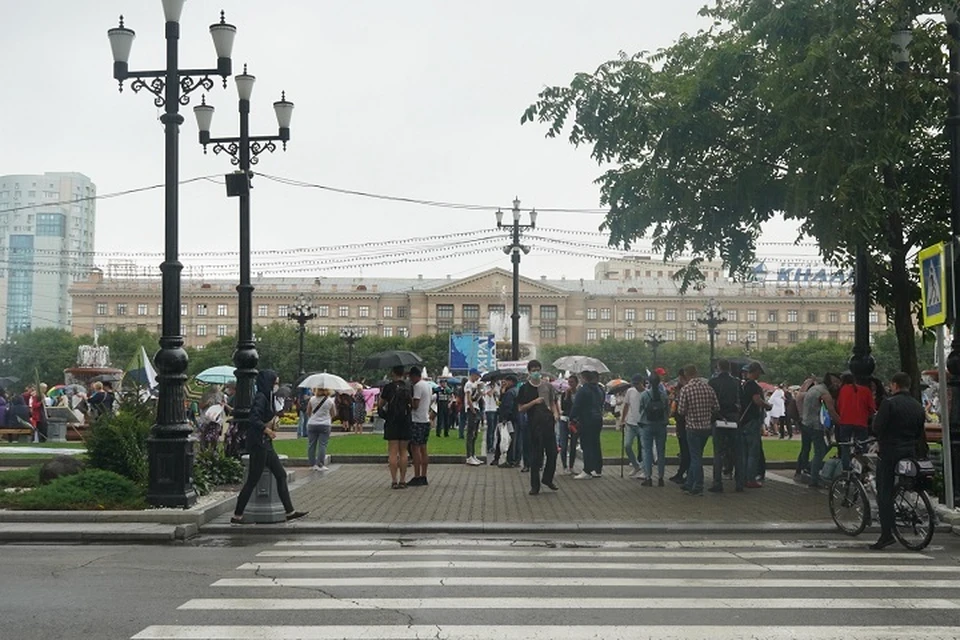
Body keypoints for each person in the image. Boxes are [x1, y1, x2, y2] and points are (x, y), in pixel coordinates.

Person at [232, 370, 308, 524]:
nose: (276, 385)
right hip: (259, 443)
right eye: (275, 382)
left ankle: (289, 511)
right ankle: (237, 515)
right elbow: (253, 417)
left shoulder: (266, 396)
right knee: (253, 479)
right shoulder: (261, 397)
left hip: (264, 442)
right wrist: (267, 429)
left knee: (280, 475)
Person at [870, 372, 927, 550]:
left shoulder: (889, 403)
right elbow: (919, 432)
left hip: (889, 451)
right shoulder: (917, 405)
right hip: (908, 450)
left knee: (884, 491)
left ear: (894, 385)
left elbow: (877, 428)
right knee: (903, 483)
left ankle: (886, 534)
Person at [517, 360, 561, 494]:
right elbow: (521, 408)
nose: (536, 372)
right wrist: (534, 402)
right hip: (534, 425)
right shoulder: (524, 388)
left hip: (548, 422)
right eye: (533, 370)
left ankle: (547, 478)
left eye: (538, 369)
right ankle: (534, 485)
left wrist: (555, 414)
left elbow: (553, 402)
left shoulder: (547, 386)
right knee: (536, 455)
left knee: (552, 452)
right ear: (529, 372)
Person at [677, 365, 719, 497]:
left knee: (695, 458)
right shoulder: (708, 388)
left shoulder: (686, 389)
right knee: (697, 455)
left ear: (686, 375)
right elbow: (716, 407)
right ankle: (689, 483)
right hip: (706, 427)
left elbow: (681, 410)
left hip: (692, 427)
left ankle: (698, 485)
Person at [800, 373, 841, 489]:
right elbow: (832, 411)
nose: (838, 385)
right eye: (837, 382)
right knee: (821, 450)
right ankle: (814, 479)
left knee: (806, 449)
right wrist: (842, 423)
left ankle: (806, 469)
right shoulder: (825, 394)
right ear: (832, 381)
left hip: (805, 423)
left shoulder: (814, 388)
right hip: (816, 426)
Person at [709, 359, 743, 492]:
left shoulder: (713, 382)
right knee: (736, 451)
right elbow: (740, 400)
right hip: (733, 417)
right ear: (729, 368)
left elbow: (712, 401)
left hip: (719, 417)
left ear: (718, 368)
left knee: (718, 452)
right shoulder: (736, 382)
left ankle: (717, 482)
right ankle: (739, 483)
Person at [379, 365, 412, 489]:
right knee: (403, 452)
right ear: (403, 374)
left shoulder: (388, 387)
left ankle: (394, 480)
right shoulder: (408, 387)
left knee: (393, 452)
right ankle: (403, 480)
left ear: (393, 373)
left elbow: (380, 404)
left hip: (392, 421)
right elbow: (413, 404)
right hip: (405, 421)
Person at [836, 372, 877, 470]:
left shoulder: (842, 390)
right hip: (861, 422)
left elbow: (839, 406)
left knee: (845, 447)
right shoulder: (866, 390)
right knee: (862, 446)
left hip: (845, 422)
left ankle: (846, 470)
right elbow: (872, 408)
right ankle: (862, 468)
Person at [571, 369, 606, 479]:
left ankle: (587, 470)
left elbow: (577, 406)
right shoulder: (600, 389)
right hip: (597, 418)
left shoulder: (583, 390)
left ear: (584, 378)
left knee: (586, 444)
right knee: (595, 443)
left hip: (586, 419)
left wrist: (571, 417)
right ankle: (598, 468)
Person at [740, 362, 770, 489]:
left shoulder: (744, 385)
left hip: (743, 421)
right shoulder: (753, 386)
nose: (759, 375)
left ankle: (743, 476)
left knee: (745, 452)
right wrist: (767, 406)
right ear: (756, 371)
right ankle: (751, 478)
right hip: (752, 420)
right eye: (759, 372)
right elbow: (757, 401)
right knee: (753, 451)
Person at [637, 371, 670, 487]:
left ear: (649, 382)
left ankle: (648, 477)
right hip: (661, 425)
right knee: (661, 451)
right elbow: (667, 410)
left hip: (647, 425)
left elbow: (640, 410)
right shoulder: (664, 395)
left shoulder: (645, 395)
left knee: (647, 450)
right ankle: (661, 477)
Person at [408, 366, 433, 486]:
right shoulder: (427, 385)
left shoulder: (417, 386)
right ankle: (424, 475)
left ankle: (417, 475)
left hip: (417, 420)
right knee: (424, 449)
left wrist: (409, 401)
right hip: (426, 420)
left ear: (414, 376)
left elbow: (416, 404)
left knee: (415, 448)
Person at [618, 374, 646, 479]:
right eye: (634, 384)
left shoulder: (646, 393)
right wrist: (622, 420)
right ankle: (636, 465)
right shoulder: (630, 391)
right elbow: (626, 405)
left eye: (637, 384)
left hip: (642, 424)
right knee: (627, 445)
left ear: (642, 382)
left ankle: (645, 469)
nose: (635, 386)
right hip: (630, 422)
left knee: (644, 448)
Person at [669, 369, 691, 485]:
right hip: (682, 423)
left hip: (684, 423)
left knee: (685, 449)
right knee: (684, 449)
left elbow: (681, 409)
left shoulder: (685, 390)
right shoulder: (680, 389)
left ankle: (684, 472)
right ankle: (682, 472)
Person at [306, 387, 335, 471]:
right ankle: (320, 465)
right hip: (325, 424)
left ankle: (312, 464)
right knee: (322, 444)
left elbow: (308, 412)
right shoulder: (330, 401)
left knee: (311, 444)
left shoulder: (312, 399)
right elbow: (334, 413)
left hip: (312, 423)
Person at [495, 374, 520, 467]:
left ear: (511, 382)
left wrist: (505, 418)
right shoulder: (516, 391)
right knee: (516, 439)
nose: (505, 383)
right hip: (516, 418)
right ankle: (516, 460)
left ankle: (509, 460)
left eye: (507, 381)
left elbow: (507, 406)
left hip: (509, 419)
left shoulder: (510, 393)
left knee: (509, 439)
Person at [558, 375, 579, 474]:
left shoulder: (579, 394)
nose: (570, 384)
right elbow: (563, 407)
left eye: (572, 382)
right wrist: (566, 396)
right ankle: (564, 466)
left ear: (576, 383)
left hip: (574, 421)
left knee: (573, 444)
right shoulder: (565, 394)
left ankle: (571, 466)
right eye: (569, 382)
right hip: (565, 419)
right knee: (564, 444)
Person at [463, 369, 484, 466]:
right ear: (472, 375)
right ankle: (469, 456)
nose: (478, 377)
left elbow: (475, 399)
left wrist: (479, 391)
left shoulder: (475, 385)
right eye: (477, 375)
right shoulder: (468, 385)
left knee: (475, 433)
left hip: (476, 408)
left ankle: (473, 454)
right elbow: (469, 399)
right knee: (470, 433)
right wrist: (472, 410)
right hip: (471, 410)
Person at [483, 381, 499, 455]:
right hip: (489, 409)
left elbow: (499, 396)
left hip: (496, 408)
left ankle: (492, 445)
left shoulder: (497, 386)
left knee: (494, 428)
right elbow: (489, 394)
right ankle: (489, 446)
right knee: (490, 428)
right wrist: (493, 389)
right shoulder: (487, 386)